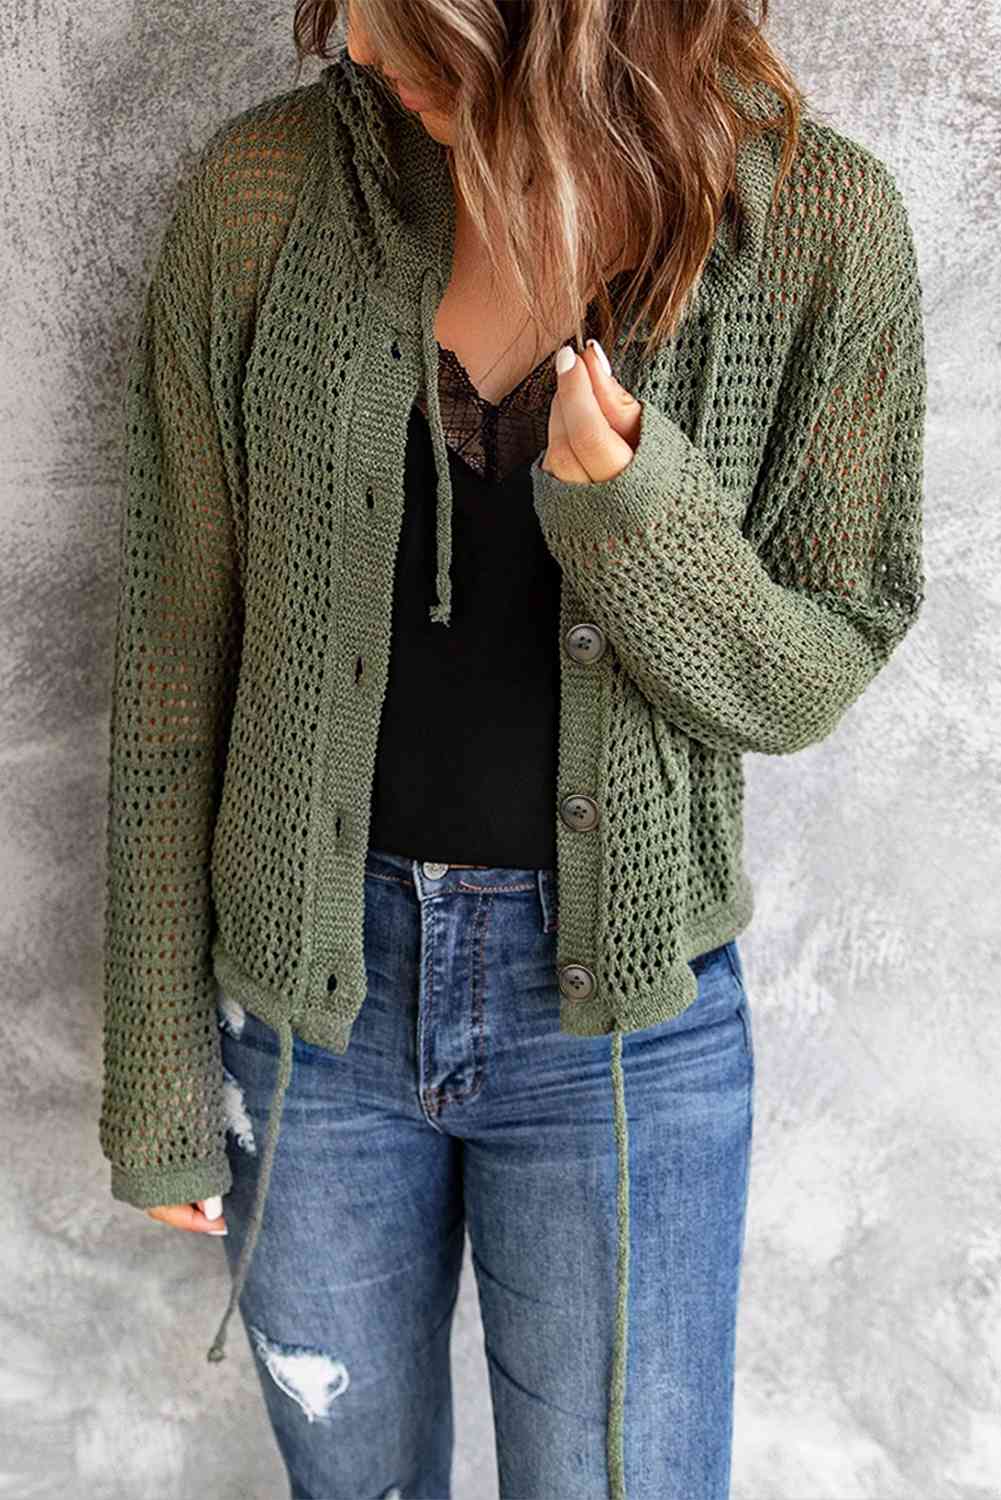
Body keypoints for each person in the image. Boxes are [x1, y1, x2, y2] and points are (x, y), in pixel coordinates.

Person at [98, 1, 927, 1496]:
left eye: (410, 24)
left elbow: (813, 667)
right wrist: (158, 1074)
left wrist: (635, 517)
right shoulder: (266, 196)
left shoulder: (814, 226)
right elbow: (172, 656)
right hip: (306, 1018)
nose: (355, 46)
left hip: (624, 1034)